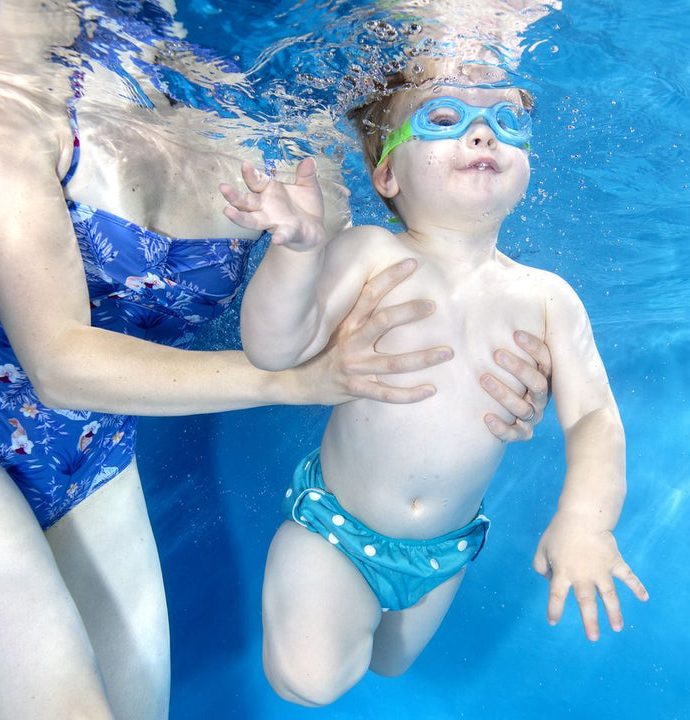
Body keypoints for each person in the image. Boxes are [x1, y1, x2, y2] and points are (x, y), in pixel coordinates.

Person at [0, 2, 553, 719]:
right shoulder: (19, 71)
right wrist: (294, 383)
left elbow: (330, 330)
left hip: (90, 451)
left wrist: (477, 400)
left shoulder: (284, 119)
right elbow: (58, 365)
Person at [221, 62, 649, 707]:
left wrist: (587, 523)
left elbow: (593, 418)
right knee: (311, 682)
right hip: (338, 527)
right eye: (445, 119)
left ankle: (368, 615)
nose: (484, 135)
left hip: (444, 550)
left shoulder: (549, 298)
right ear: (387, 173)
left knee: (390, 665)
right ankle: (300, 563)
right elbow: (274, 349)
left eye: (507, 120)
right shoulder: (369, 252)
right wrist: (298, 254)